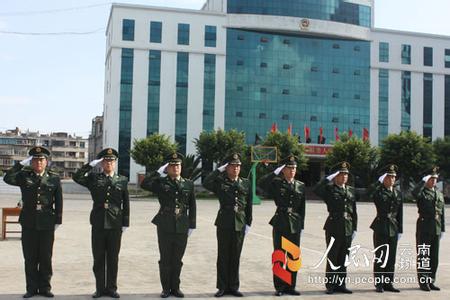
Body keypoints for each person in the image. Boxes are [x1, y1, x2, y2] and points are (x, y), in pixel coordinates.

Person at [4, 146, 63, 298]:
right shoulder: (24, 176)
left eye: (41, 159)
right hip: (28, 222)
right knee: (30, 257)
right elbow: (7, 178)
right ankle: (31, 289)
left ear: (46, 161)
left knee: (45, 257)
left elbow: (59, 201)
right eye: (35, 159)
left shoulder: (54, 178)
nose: (38, 162)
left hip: (47, 223)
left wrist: (58, 220)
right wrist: (20, 164)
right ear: (31, 162)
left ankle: (45, 288)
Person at [72, 147, 129, 299]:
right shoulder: (93, 178)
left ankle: (111, 288)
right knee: (98, 258)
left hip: (115, 224)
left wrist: (125, 223)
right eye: (105, 161)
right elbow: (76, 177)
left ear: (115, 163)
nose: (109, 163)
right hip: (98, 223)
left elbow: (126, 203)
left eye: (111, 161)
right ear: (101, 163)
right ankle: (99, 289)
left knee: (113, 258)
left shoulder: (122, 180)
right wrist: (90, 165)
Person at [141, 152, 196, 298]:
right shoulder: (161, 183)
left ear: (181, 167)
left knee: (177, 259)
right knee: (165, 258)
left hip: (182, 225)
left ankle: (176, 288)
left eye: (177, 165)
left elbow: (192, 205)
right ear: (167, 167)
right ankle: (166, 288)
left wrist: (192, 225)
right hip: (165, 224)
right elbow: (144, 184)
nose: (175, 167)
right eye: (172, 165)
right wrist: (158, 172)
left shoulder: (188, 184)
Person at [203, 153, 252, 297]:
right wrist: (219, 170)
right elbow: (206, 182)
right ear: (227, 167)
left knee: (235, 256)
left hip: (240, 223)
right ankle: (222, 287)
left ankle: (234, 287)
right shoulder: (220, 182)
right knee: (223, 255)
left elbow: (249, 205)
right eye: (232, 166)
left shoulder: (245, 183)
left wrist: (249, 222)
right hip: (224, 222)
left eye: (238, 166)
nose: (236, 168)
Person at [258, 154, 305, 296]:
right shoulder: (277, 183)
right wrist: (275, 172)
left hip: (294, 224)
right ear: (283, 170)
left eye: (294, 168)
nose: (292, 171)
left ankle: (290, 286)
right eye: (289, 168)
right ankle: (279, 287)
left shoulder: (300, 186)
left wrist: (301, 225)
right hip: (280, 222)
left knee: (293, 256)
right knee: (279, 256)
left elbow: (302, 208)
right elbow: (261, 183)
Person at [313, 162, 357, 294]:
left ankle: (341, 284)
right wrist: (327, 178)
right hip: (334, 226)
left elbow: (353, 211)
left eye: (346, 174)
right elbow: (316, 189)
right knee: (333, 256)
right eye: (341, 174)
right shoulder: (329, 189)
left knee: (344, 257)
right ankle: (331, 285)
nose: (344, 176)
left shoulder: (350, 190)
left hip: (347, 226)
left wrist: (354, 227)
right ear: (335, 176)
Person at [369, 164, 403, 293]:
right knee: (381, 257)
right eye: (389, 177)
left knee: (391, 258)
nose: (392, 179)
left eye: (394, 177)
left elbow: (400, 213)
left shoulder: (398, 193)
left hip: (393, 227)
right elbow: (369, 193)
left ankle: (388, 283)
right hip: (381, 227)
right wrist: (378, 182)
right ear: (384, 179)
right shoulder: (378, 191)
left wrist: (400, 229)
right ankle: (379, 284)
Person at [413, 166, 445, 292]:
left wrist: (442, 228)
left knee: (434, 257)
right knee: (424, 255)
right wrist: (422, 181)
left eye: (435, 179)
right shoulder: (422, 193)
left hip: (436, 227)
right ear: (426, 180)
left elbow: (441, 213)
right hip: (424, 226)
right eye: (431, 179)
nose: (434, 181)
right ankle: (423, 281)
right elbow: (414, 193)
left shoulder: (439, 194)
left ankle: (431, 280)